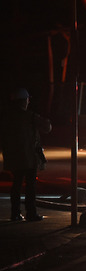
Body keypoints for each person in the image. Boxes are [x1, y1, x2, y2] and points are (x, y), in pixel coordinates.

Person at [1, 88, 52, 221]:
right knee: (30, 187)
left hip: (14, 158)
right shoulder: (30, 116)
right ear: (24, 101)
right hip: (29, 158)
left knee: (16, 185)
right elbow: (47, 127)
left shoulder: (7, 118)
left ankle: (15, 213)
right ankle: (31, 213)